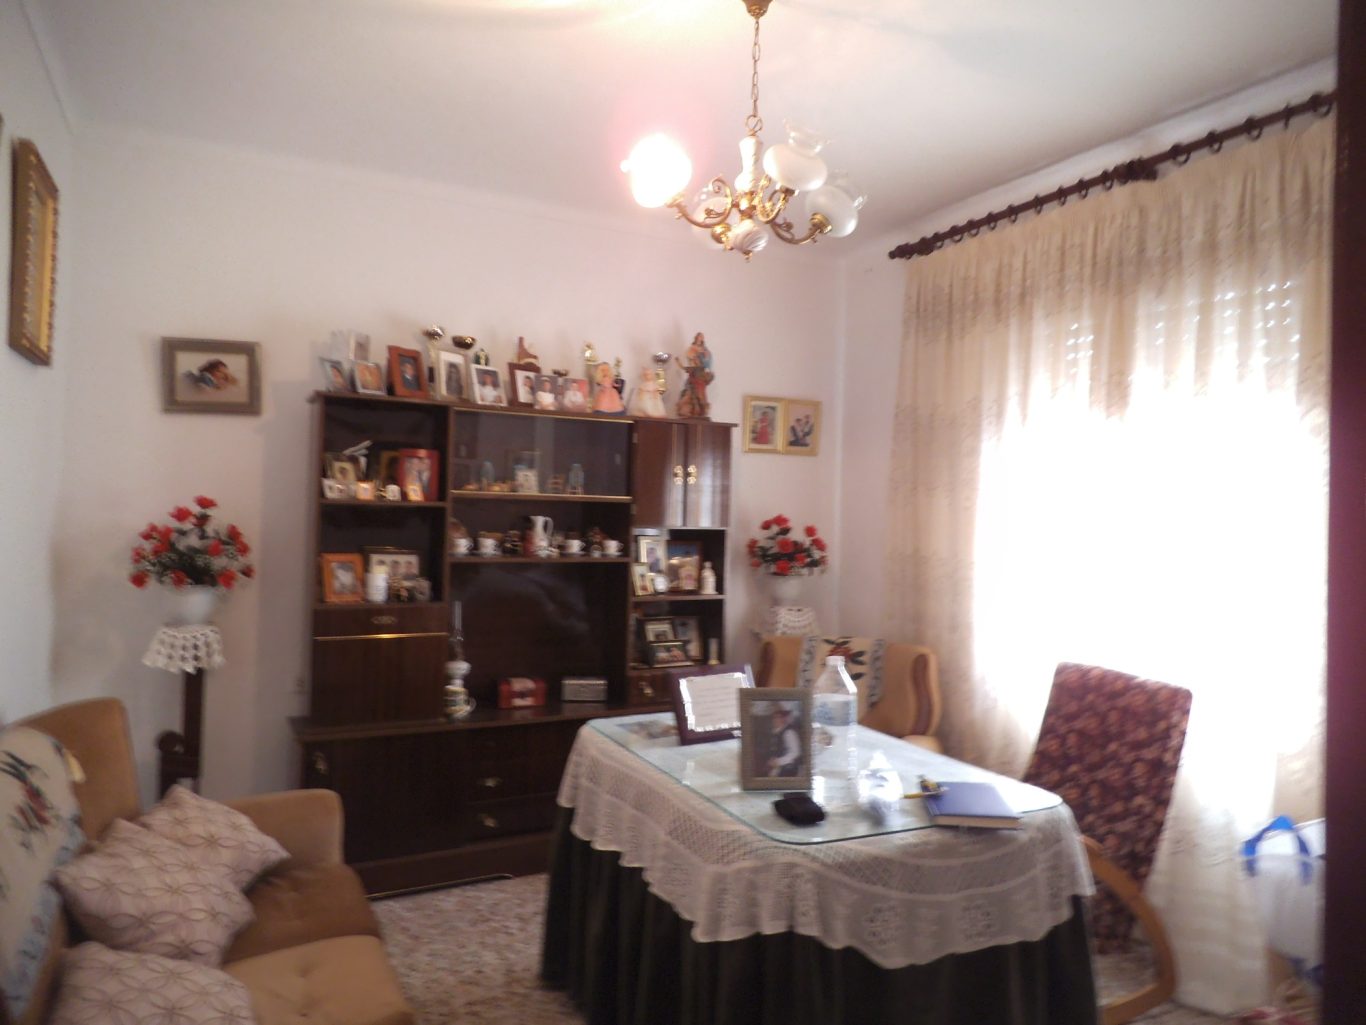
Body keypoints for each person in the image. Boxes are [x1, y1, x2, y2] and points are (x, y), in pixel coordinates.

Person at [675, 332, 714, 419]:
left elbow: (707, 359)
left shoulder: (704, 351)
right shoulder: (692, 367)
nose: (699, 339)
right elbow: (685, 367)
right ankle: (690, 409)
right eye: (698, 337)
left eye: (701, 337)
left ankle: (701, 410)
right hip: (692, 383)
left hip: (700, 381)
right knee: (688, 395)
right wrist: (678, 362)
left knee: (700, 395)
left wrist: (704, 356)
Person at [766, 705, 802, 777]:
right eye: (774, 718)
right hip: (776, 768)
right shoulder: (774, 732)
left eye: (778, 717)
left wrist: (779, 761)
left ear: (783, 719)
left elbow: (796, 752)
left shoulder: (789, 733)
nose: (775, 720)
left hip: (788, 769)